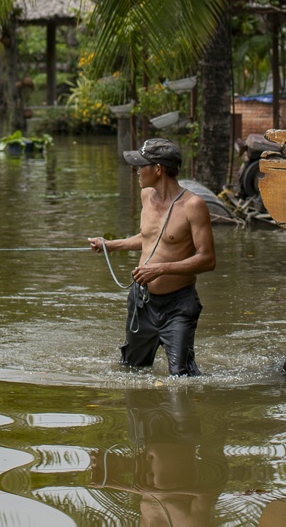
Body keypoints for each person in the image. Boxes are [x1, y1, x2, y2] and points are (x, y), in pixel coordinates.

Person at [88, 137, 217, 376]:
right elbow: (148, 238)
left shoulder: (193, 206)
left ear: (158, 169)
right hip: (142, 302)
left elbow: (207, 259)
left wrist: (160, 269)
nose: (136, 170)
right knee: (131, 371)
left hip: (178, 306)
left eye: (140, 164)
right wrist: (110, 245)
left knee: (182, 378)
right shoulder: (146, 196)